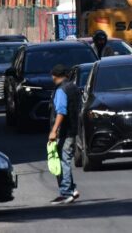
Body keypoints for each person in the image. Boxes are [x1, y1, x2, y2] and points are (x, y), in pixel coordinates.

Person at [48, 64, 80, 205]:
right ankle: (71, 189)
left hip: (65, 132)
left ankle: (66, 192)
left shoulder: (61, 90)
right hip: (73, 130)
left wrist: (54, 131)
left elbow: (61, 112)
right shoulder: (73, 87)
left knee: (63, 161)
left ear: (54, 76)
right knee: (64, 159)